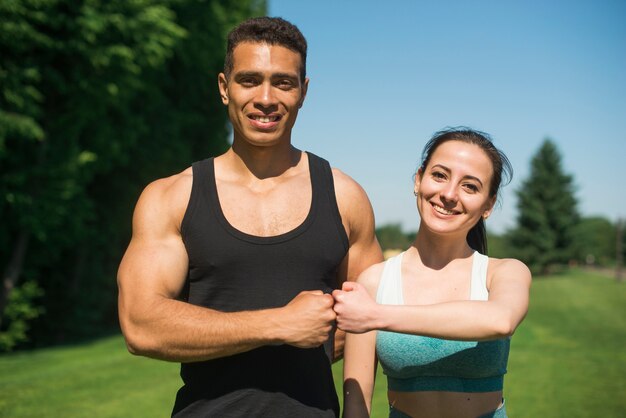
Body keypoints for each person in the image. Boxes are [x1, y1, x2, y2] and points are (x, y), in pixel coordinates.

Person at [117, 16, 382, 418]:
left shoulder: (345, 196)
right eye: (249, 80)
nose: (266, 98)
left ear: (303, 92)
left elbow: (366, 322)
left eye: (283, 82)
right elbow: (140, 325)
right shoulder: (172, 196)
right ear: (225, 88)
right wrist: (277, 325)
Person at [332, 128, 531, 418]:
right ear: (418, 179)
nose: (449, 194)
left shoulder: (504, 272)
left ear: (488, 205)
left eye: (470, 186)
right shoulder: (374, 282)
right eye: (439, 175)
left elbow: (501, 320)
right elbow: (355, 405)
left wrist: (375, 315)